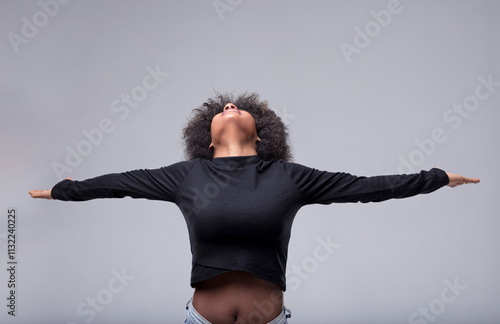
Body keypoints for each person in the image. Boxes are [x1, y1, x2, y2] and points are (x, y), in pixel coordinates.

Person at [29, 92, 479, 324]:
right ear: (205, 139)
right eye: (223, 107)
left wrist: (438, 177)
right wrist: (66, 190)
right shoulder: (187, 177)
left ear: (261, 134)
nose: (230, 105)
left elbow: (368, 187)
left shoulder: (290, 177)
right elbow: (121, 184)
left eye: (240, 107)